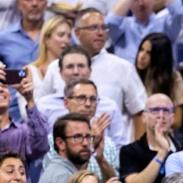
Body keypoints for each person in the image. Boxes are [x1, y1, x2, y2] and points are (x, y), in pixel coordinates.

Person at [40, 8, 148, 144]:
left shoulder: (123, 67)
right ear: (77, 33)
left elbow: (140, 111)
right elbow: (42, 110)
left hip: (110, 150)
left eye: (104, 28)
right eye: (94, 28)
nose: (100, 32)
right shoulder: (56, 66)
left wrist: (135, 151)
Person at [35, 47, 127, 148]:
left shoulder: (109, 107)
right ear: (60, 72)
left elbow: (120, 146)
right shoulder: (44, 105)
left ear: (90, 71)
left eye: (81, 66)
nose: (76, 72)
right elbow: (37, 146)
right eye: (70, 67)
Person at [42, 79, 120, 183]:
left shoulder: (108, 144)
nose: (88, 104)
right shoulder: (54, 141)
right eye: (81, 98)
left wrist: (101, 160)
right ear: (66, 103)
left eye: (93, 99)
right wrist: (90, 145)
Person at [0, 68, 48, 183]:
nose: (1, 90)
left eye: (4, 87)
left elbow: (42, 145)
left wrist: (30, 99)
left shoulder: (23, 132)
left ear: (10, 97)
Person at [32, 113, 95, 183]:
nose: (85, 143)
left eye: (88, 137)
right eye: (77, 137)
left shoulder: (65, 170)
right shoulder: (61, 175)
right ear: (60, 143)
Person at [135, 32, 183, 130]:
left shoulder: (173, 78)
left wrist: (155, 121)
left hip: (162, 134)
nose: (142, 56)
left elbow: (177, 120)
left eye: (149, 53)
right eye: (141, 50)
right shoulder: (131, 74)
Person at [106, 0, 183, 63]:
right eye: (135, 0)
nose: (141, 3)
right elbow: (110, 22)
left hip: (159, 79)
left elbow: (179, 13)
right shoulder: (123, 27)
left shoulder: (166, 25)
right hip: (127, 80)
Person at [26, 15, 71, 97]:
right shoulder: (30, 71)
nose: (66, 40)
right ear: (46, 39)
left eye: (69, 36)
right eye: (61, 35)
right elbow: (24, 106)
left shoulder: (73, 70)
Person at [0, 0, 45, 69]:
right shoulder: (4, 38)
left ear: (46, 3)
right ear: (18, 4)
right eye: (28, 0)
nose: (35, 3)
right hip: (14, 79)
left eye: (40, 0)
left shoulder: (59, 37)